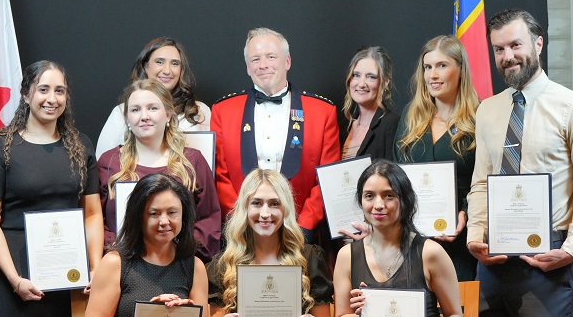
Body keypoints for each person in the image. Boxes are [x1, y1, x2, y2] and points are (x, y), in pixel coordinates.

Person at [0, 60, 104, 317]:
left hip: (68, 273)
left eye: (60, 91)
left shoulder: (80, 145)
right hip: (15, 274)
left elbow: (92, 213)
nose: (52, 98)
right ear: (26, 94)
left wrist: (96, 269)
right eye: (43, 89)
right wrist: (14, 279)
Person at [467, 9, 573, 317]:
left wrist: (570, 250)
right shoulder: (488, 110)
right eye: (498, 49)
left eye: (515, 45)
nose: (507, 56)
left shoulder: (568, 105)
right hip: (492, 263)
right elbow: (481, 181)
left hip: (548, 262)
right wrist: (475, 236)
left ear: (538, 43)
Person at [211, 27, 340, 242]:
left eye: (271, 57)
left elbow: (327, 178)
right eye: (255, 59)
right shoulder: (223, 111)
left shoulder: (323, 111)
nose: (263, 65)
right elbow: (219, 176)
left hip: (301, 233)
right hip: (241, 234)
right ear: (247, 68)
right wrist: (241, 221)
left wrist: (304, 227)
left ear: (287, 61)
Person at [334, 159, 465, 317]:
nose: (378, 205)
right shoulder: (346, 256)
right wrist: (364, 314)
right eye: (369, 196)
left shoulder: (430, 252)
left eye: (389, 195)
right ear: (361, 201)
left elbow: (454, 315)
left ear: (404, 200)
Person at [207, 169, 333, 317]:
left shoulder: (309, 257)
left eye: (274, 204)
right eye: (256, 203)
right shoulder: (224, 263)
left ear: (286, 209)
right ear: (244, 208)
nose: (265, 213)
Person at [83, 173, 210, 317]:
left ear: (183, 215)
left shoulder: (194, 266)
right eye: (154, 213)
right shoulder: (115, 263)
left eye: (172, 212)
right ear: (139, 216)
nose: (164, 221)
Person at [98, 79, 221, 262]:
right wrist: (120, 250)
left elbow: (209, 222)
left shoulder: (192, 162)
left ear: (168, 114)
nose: (144, 116)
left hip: (178, 266)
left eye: (153, 108)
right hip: (122, 266)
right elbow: (97, 224)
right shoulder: (109, 162)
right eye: (135, 109)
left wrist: (171, 252)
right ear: (126, 118)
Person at [394, 35, 478, 281]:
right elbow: (395, 175)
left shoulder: (479, 118)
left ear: (460, 70)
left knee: (460, 313)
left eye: (442, 65)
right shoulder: (411, 116)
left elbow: (486, 179)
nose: (433, 75)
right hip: (411, 240)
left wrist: (466, 212)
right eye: (427, 67)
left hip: (458, 241)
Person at [96, 37, 211, 159]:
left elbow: (211, 161)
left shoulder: (199, 111)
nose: (167, 70)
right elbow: (104, 164)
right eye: (159, 62)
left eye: (175, 63)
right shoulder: (121, 112)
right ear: (145, 67)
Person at [339, 46, 399, 161]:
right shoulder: (344, 126)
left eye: (371, 77)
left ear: (385, 83)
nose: (361, 83)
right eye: (356, 75)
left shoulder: (391, 124)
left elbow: (392, 174)